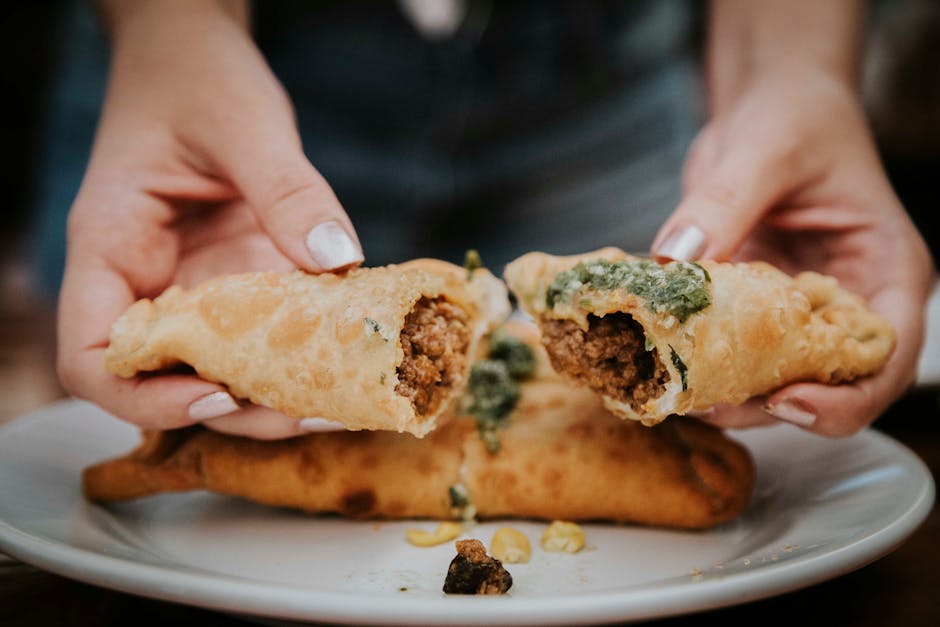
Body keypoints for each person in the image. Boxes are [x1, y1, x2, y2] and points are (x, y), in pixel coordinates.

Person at [54, 0, 933, 440]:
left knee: (685, 434)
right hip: (227, 78)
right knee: (132, 417)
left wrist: (795, 69)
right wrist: (163, 24)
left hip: (598, 72)